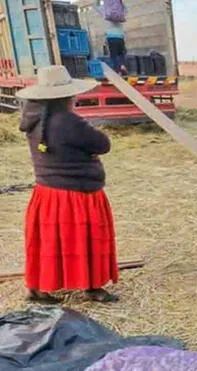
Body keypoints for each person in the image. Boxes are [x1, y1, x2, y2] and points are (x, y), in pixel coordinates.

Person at [17, 65, 119, 303]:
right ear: (66, 96)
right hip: (76, 193)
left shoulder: (33, 121)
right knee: (88, 240)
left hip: (47, 192)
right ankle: (92, 286)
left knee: (50, 243)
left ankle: (38, 288)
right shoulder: (68, 122)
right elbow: (103, 144)